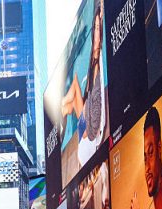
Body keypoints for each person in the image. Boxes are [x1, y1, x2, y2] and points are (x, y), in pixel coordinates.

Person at [60, 1, 105, 169]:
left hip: (87, 137)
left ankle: (66, 105)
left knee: (77, 87)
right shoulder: (95, 64)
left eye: (99, 30)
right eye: (96, 29)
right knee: (77, 87)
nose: (96, 35)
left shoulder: (98, 67)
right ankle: (66, 105)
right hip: (87, 136)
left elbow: (94, 121)